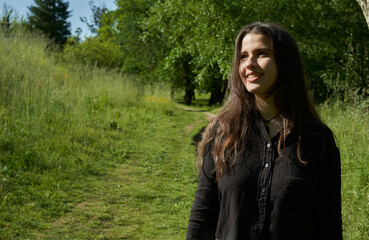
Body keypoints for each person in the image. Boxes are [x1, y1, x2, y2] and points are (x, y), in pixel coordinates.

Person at [186, 22, 342, 240]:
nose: (249, 64)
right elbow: (202, 215)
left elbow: (328, 225)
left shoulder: (317, 140)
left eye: (261, 54)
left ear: (284, 62)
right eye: (243, 57)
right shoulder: (222, 133)